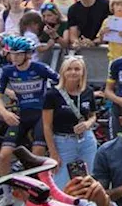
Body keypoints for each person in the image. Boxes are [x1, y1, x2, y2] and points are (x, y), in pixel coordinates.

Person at [0, 36, 60, 206]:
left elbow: (61, 83)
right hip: (22, 115)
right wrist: (5, 112)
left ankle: (37, 194)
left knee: (36, 154)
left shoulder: (40, 68)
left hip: (41, 115)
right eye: (12, 54)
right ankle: (6, 196)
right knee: (3, 155)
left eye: (18, 54)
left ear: (28, 55)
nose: (14, 57)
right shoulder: (7, 71)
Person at [41, 55, 100, 189]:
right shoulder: (52, 94)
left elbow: (93, 116)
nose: (73, 72)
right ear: (63, 72)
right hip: (63, 142)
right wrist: (53, 152)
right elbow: (46, 126)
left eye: (77, 69)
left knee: (88, 179)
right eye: (69, 69)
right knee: (61, 182)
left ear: (82, 72)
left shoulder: (88, 91)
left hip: (86, 140)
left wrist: (87, 124)